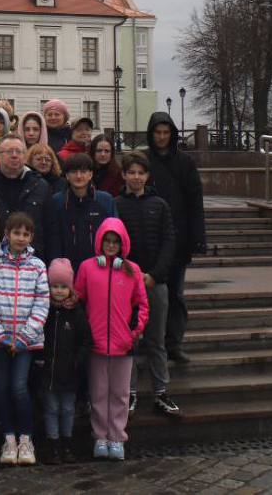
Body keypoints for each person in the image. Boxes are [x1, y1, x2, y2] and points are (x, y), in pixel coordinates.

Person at [75, 219, 149, 462]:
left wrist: (134, 332)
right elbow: (79, 300)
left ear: (122, 244)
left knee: (120, 394)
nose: (110, 245)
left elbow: (141, 305)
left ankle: (117, 437)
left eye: (115, 242)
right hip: (96, 343)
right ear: (100, 242)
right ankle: (100, 436)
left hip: (123, 344)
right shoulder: (87, 268)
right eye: (107, 241)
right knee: (98, 393)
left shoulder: (132, 270)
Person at [0, 212, 49, 467]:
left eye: (26, 234)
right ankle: (8, 438)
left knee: (19, 387)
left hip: (25, 341)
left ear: (31, 237)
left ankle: (25, 438)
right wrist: (0, 334)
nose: (21, 238)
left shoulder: (38, 266)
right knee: (2, 387)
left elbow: (42, 304)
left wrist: (23, 337)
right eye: (16, 233)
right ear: (7, 235)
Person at [116, 152, 179, 417]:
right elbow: (113, 243)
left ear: (147, 176)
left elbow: (169, 243)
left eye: (141, 172)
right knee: (129, 341)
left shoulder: (159, 204)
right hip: (126, 285)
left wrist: (154, 275)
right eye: (131, 172)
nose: (136, 177)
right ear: (124, 175)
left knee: (156, 340)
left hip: (155, 283)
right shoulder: (116, 204)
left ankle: (160, 392)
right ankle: (128, 392)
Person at [144, 112, 205, 364]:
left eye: (166, 132)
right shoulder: (143, 161)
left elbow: (195, 201)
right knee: (148, 297)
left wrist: (197, 237)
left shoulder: (185, 163)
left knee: (176, 295)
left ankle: (174, 343)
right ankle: (149, 343)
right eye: (157, 132)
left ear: (172, 135)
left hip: (178, 240)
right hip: (149, 241)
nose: (161, 137)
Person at [41, 258, 91, 465]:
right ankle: (53, 444)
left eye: (63, 287)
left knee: (68, 409)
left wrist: (77, 361)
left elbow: (86, 340)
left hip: (70, 371)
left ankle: (67, 442)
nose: (59, 291)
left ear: (70, 288)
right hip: (49, 372)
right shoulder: (45, 312)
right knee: (51, 408)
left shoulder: (77, 313)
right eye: (55, 286)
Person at [0, 133, 51, 258]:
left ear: (25, 156)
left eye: (19, 151)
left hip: (33, 260)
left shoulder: (41, 186)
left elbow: (51, 227)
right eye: (9, 151)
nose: (14, 155)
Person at [46, 153, 117, 271]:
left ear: (91, 174)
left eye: (83, 171)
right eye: (74, 172)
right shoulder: (57, 201)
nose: (79, 176)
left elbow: (115, 235)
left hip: (100, 269)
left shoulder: (105, 200)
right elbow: (53, 239)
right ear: (67, 176)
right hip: (67, 271)